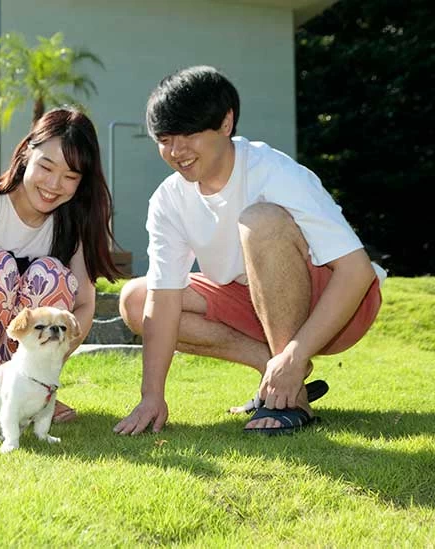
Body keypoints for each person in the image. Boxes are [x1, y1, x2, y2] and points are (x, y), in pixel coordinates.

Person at [114, 66, 385, 436]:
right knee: (136, 298)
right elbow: (162, 300)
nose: (176, 151)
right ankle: (274, 370)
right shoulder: (169, 199)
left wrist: (296, 353)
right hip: (252, 302)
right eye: (165, 139)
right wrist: (151, 396)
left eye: (189, 134)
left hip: (336, 302)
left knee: (260, 220)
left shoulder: (272, 170)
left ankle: (289, 395)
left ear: (226, 123)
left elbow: (357, 271)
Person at [0, 107, 121, 432]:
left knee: (51, 274)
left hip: (22, 351)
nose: (54, 184)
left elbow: (85, 305)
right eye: (46, 166)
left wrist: (46, 370)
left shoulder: (75, 224)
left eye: (70, 176)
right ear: (27, 152)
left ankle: (30, 395)